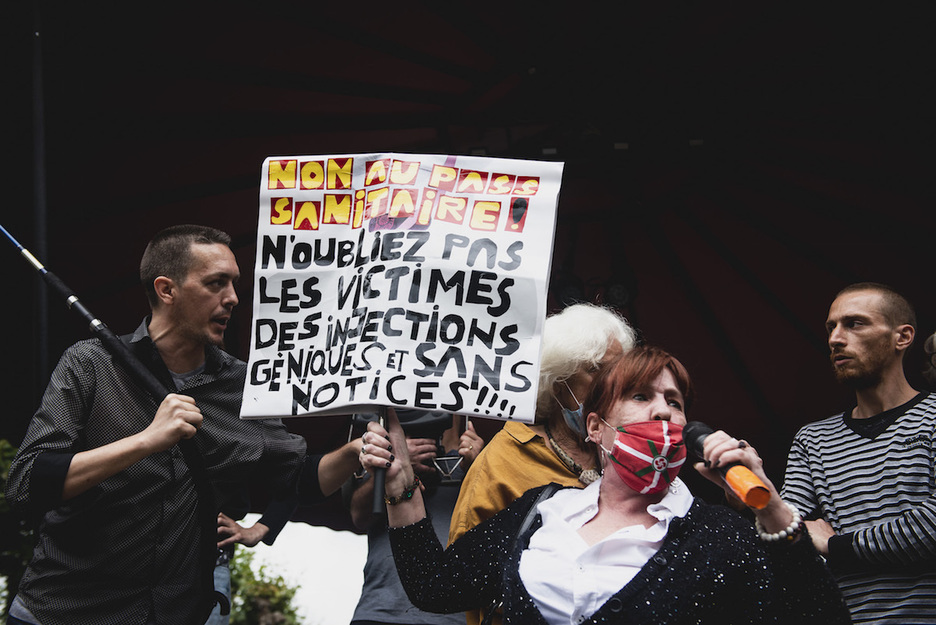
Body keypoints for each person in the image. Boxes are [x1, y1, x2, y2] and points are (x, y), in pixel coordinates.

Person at [4, 225, 363, 625]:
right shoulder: (90, 363)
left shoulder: (245, 387)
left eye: (234, 283)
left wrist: (354, 453)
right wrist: (146, 441)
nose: (233, 297)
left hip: (174, 613)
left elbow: (299, 479)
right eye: (216, 283)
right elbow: (27, 483)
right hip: (61, 611)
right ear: (166, 290)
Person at [360, 345, 852, 624]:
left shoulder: (722, 535)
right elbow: (436, 588)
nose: (662, 410)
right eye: (640, 396)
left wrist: (772, 509)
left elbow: (821, 617)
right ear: (596, 428)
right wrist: (400, 486)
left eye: (674, 402)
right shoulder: (540, 512)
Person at [446, 302, 634, 625]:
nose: (611, 385)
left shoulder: (632, 454)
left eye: (619, 373)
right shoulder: (504, 457)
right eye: (596, 371)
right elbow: (459, 578)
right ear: (558, 381)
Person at [781, 282, 936, 624]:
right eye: (831, 327)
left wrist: (836, 546)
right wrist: (750, 492)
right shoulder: (812, 439)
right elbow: (787, 532)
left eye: (854, 324)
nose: (835, 339)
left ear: (902, 337)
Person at [349, 410, 482, 625]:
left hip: (455, 616)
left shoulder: (475, 463)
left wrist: (481, 468)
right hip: (381, 610)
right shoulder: (379, 455)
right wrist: (397, 465)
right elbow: (359, 516)